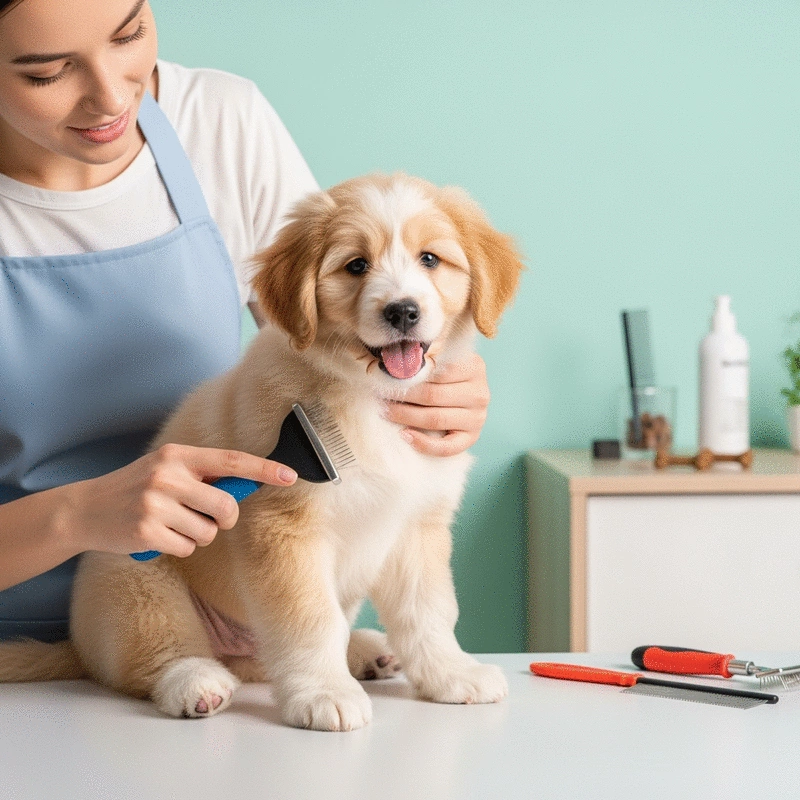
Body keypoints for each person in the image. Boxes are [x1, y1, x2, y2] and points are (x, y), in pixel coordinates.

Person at [0, 0, 491, 642]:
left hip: (242, 613)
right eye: (48, 73)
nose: (112, 94)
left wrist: (439, 388)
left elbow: (332, 332)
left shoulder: (221, 123)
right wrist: (78, 515)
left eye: (129, 34)